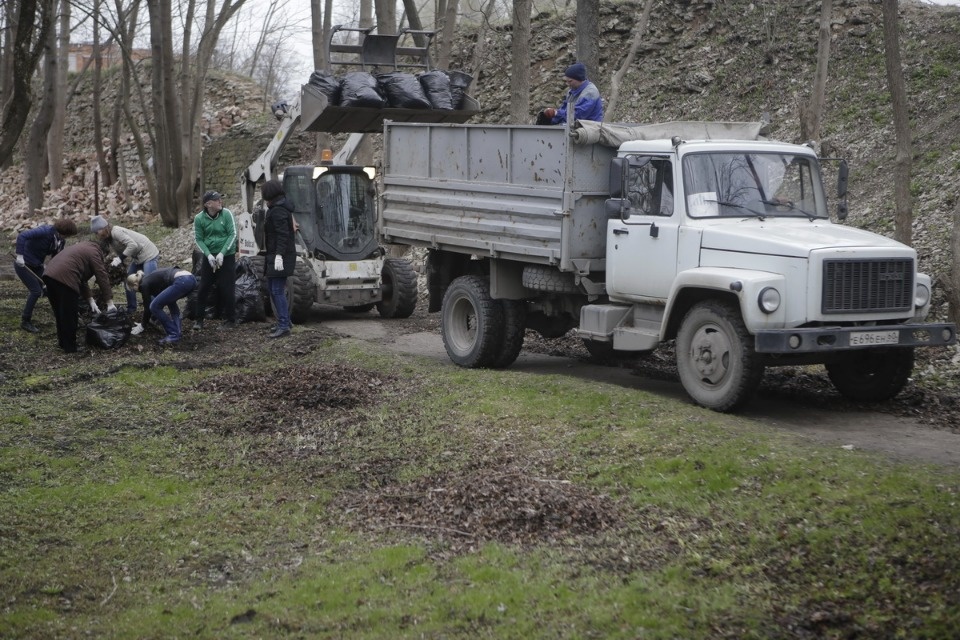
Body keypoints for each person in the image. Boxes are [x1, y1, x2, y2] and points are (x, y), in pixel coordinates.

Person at [41, 240, 116, 353]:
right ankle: (70, 347)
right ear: (103, 252)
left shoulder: (83, 248)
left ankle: (63, 342)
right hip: (65, 278)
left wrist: (91, 300)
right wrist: (109, 302)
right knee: (70, 315)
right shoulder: (95, 252)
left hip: (49, 275)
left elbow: (81, 278)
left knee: (60, 312)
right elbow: (102, 276)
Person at [13, 218, 79, 333]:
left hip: (37, 265)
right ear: (63, 231)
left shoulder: (60, 240)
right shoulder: (45, 231)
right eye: (68, 235)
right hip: (23, 264)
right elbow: (22, 236)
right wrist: (20, 256)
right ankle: (25, 320)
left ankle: (61, 316)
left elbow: (57, 258)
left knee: (50, 288)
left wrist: (53, 273)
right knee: (36, 291)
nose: (67, 238)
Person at [90, 215, 160, 315]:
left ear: (104, 228)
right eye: (95, 233)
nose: (98, 235)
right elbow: (122, 251)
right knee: (128, 280)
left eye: (97, 232)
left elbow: (133, 245)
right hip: (137, 257)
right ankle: (131, 309)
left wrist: (120, 258)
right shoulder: (109, 238)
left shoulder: (116, 232)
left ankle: (155, 312)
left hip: (149, 253)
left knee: (149, 283)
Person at [192, 191, 238, 330]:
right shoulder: (199, 218)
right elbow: (199, 239)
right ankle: (199, 320)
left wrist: (222, 253)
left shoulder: (227, 214)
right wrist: (208, 255)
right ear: (208, 204)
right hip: (210, 257)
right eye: (216, 200)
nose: (220, 201)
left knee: (227, 287)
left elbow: (233, 234)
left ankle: (230, 320)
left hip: (226, 256)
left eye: (220, 199)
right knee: (203, 287)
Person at [261, 179, 296, 338]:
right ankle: (285, 321)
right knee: (273, 289)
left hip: (280, 255)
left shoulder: (278, 211)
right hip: (275, 254)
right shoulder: (278, 208)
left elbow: (283, 235)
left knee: (277, 290)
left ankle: (283, 325)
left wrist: (279, 255)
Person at [127, 267, 197, 346]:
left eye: (133, 289)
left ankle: (173, 334)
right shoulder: (150, 280)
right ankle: (177, 331)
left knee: (154, 306)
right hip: (191, 279)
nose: (135, 292)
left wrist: (142, 325)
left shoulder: (144, 285)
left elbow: (148, 308)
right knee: (170, 302)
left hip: (182, 280)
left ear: (135, 284)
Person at [537, 61, 604, 125]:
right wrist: (550, 119)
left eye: (570, 81)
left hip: (591, 129)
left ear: (579, 79)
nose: (568, 84)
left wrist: (556, 113)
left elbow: (578, 114)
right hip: (577, 127)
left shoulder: (590, 92)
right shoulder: (571, 91)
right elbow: (565, 110)